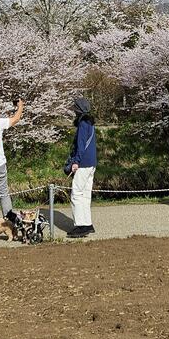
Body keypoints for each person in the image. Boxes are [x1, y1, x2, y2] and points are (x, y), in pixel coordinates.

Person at [66, 97, 97, 238]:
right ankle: (87, 223)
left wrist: (75, 162)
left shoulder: (82, 124)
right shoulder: (90, 123)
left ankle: (80, 225)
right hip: (91, 163)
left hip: (83, 163)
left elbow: (81, 145)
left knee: (77, 194)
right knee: (85, 195)